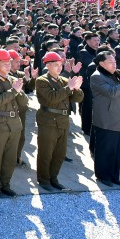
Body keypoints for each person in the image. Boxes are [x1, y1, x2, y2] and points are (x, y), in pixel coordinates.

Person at [34, 51, 83, 191]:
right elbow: (52, 98)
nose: (59, 67)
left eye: (60, 64)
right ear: (48, 66)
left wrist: (77, 89)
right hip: (48, 119)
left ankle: (53, 178)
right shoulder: (42, 80)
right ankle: (43, 179)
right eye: (55, 65)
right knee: (46, 152)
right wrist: (69, 88)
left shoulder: (64, 80)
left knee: (59, 153)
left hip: (63, 119)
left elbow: (77, 99)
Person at [90, 50, 120, 187]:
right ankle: (102, 176)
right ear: (101, 63)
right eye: (110, 62)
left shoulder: (117, 75)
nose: (114, 64)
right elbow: (111, 92)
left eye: (115, 62)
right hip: (106, 119)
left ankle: (114, 176)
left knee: (116, 151)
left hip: (119, 118)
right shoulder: (97, 76)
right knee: (104, 150)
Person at [0, 49, 26, 197]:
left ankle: (5, 184)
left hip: (14, 123)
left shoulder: (14, 80)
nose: (8, 66)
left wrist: (19, 91)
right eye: (4, 63)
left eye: (9, 63)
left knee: (10, 157)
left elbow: (24, 102)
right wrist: (13, 91)